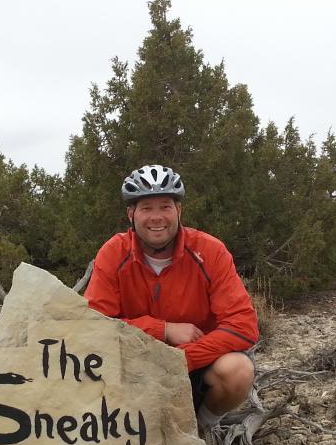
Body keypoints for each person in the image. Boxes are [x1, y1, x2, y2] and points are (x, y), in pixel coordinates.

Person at [84, 164, 258, 431]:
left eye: (165, 206)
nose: (157, 217)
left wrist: (182, 358)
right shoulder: (113, 253)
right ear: (131, 214)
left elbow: (243, 325)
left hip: (196, 363)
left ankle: (200, 430)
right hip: (132, 365)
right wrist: (163, 330)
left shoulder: (209, 251)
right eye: (146, 208)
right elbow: (95, 324)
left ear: (179, 210)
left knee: (237, 371)